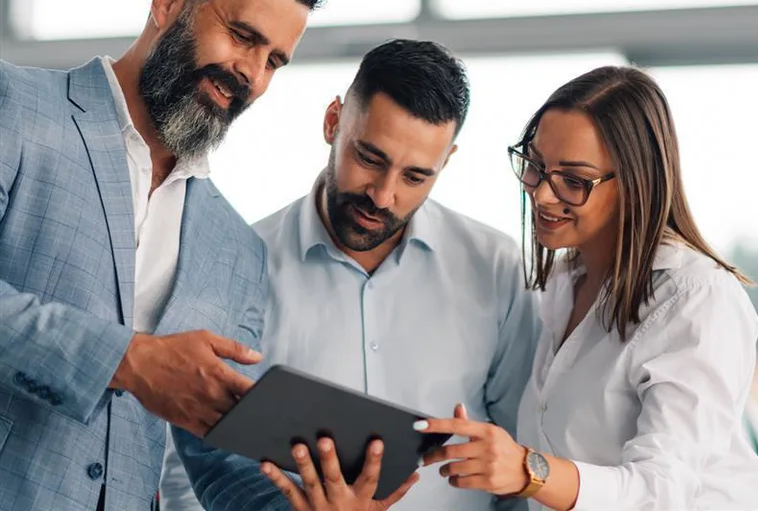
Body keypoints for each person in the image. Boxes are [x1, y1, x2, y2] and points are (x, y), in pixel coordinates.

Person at [0, 0, 324, 509]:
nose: (249, 73)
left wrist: (309, 503)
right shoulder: (14, 107)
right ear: (169, 0)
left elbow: (217, 455)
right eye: (243, 36)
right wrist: (130, 360)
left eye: (273, 60)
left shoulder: (237, 250)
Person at [160, 38, 540, 510]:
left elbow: (525, 451)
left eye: (415, 176)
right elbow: (189, 468)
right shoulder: (239, 262)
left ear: (447, 162)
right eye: (370, 159)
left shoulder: (497, 267)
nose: (383, 196)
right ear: (333, 121)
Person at [413, 66, 758, 509]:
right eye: (536, 166)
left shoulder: (698, 298)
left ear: (637, 184)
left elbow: (661, 492)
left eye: (574, 181)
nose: (542, 195)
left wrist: (527, 468)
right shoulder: (564, 284)